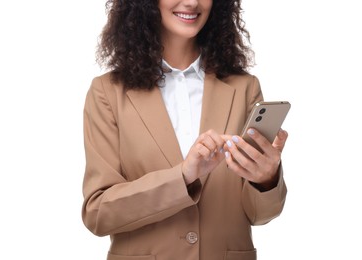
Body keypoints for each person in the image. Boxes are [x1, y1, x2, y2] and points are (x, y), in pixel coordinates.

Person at [82, 0, 289, 259]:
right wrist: (182, 177)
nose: (192, 2)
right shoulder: (108, 93)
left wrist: (266, 180)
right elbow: (98, 214)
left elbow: (260, 215)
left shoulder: (244, 87)